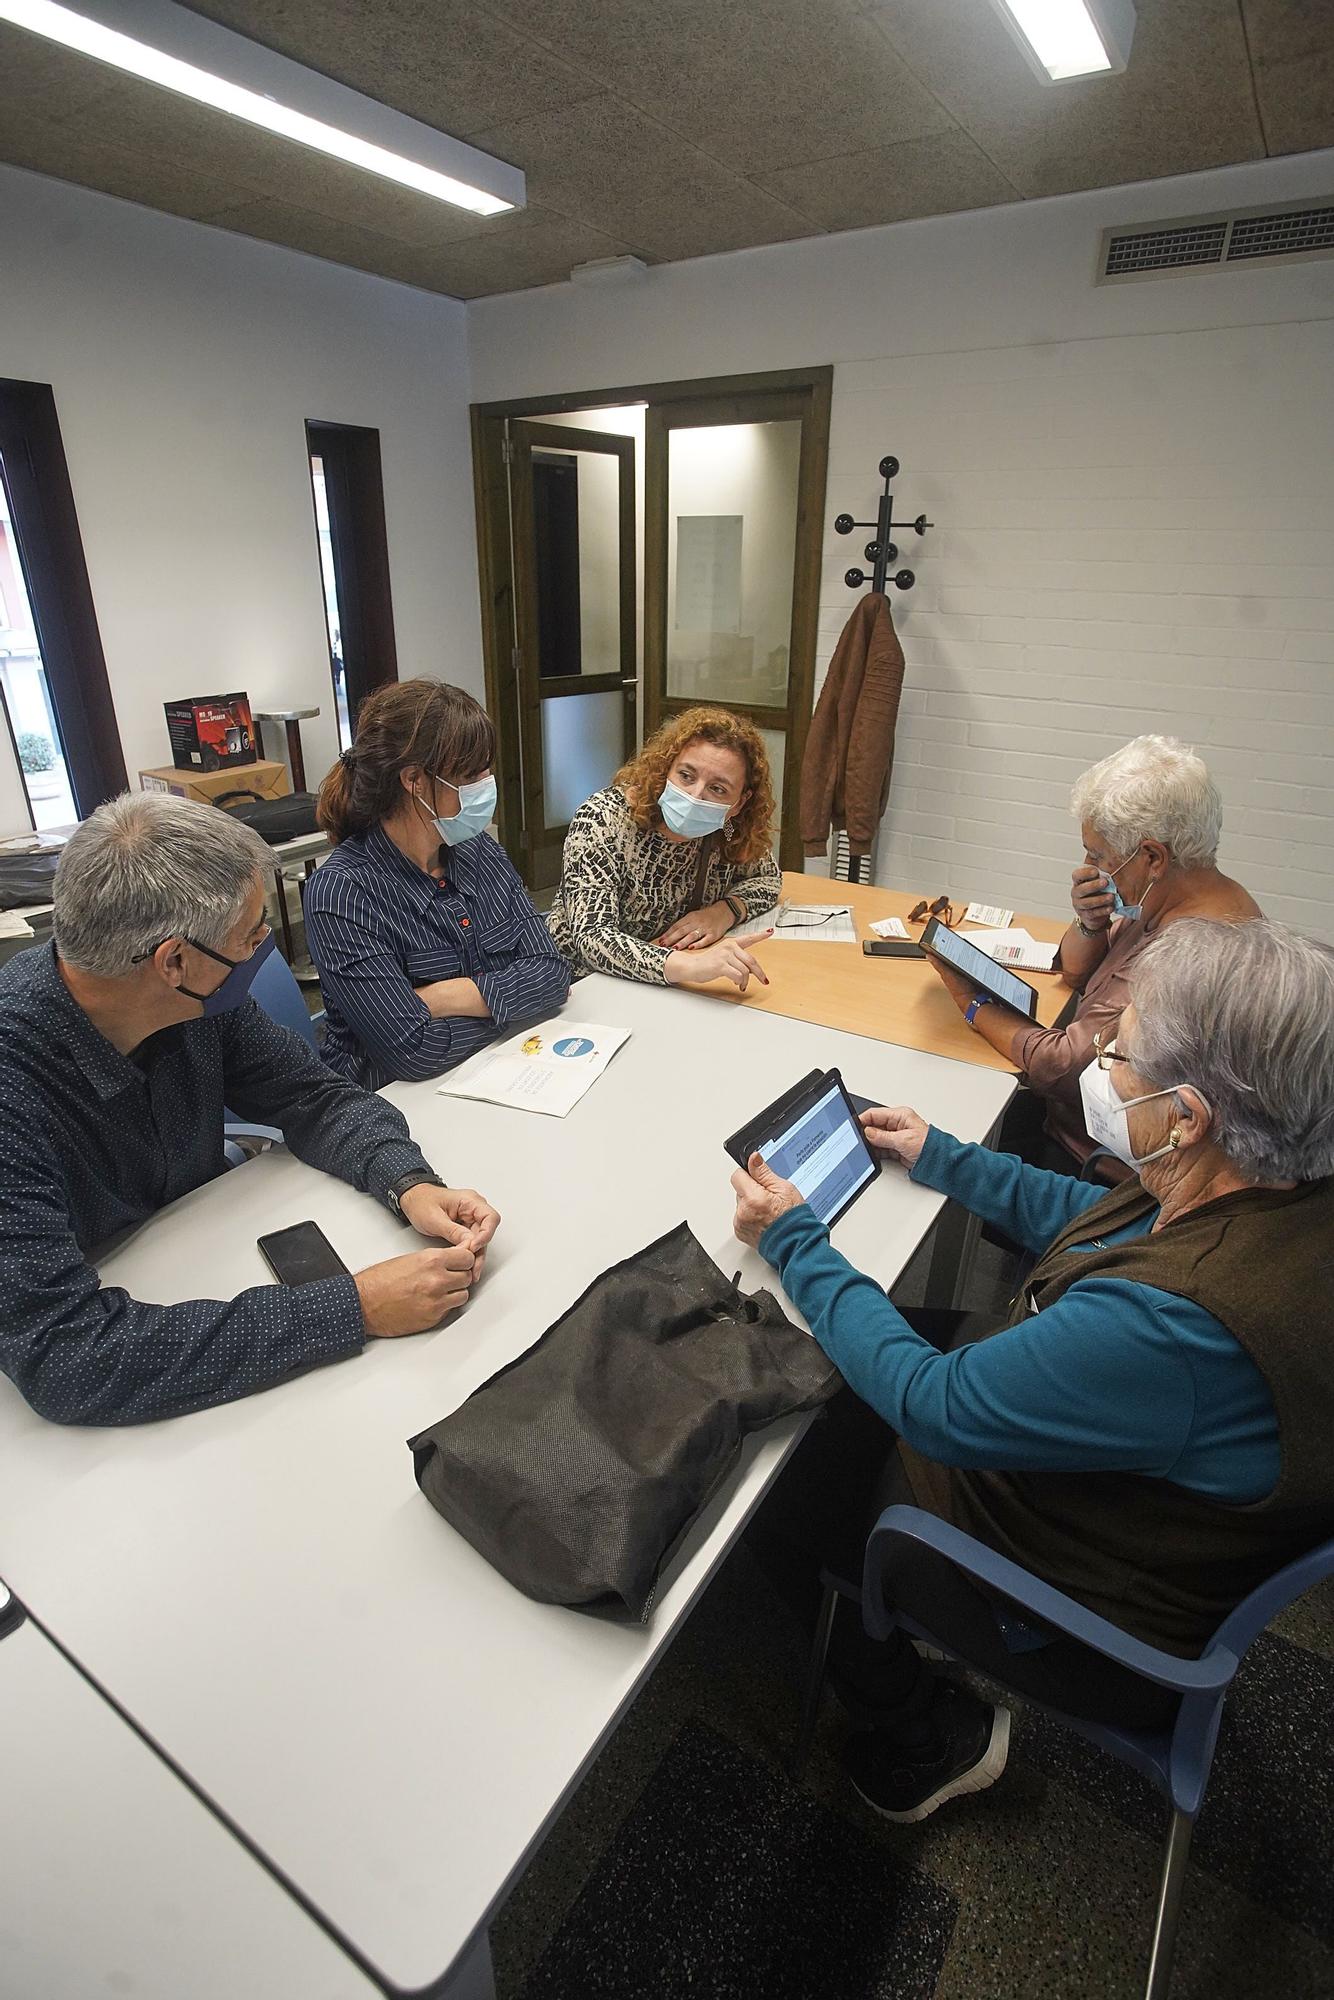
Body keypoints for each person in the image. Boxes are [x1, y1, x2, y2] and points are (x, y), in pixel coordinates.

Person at [731, 918, 1334, 1825]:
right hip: (1137, 1490)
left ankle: (921, 1730)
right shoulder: (1269, 1184)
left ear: (1190, 1115)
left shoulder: (1174, 1326)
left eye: (1121, 1058)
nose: (1101, 1070)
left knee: (766, 1470)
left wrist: (797, 1243)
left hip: (1082, 1602)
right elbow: (1112, 1220)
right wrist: (944, 1156)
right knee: (843, 1360)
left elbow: (934, 1406)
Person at [0, 792, 501, 1426]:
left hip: (188, 1261)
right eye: (251, 935)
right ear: (174, 961)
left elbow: (311, 1095)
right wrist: (355, 1307)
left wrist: (407, 1182)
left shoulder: (199, 1001)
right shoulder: (13, 1083)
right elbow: (69, 1357)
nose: (263, 949)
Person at [924, 735, 1260, 1173]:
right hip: (1078, 1130)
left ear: (1153, 857)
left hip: (1095, 1164)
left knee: (947, 1125)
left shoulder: (1192, 956)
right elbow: (1078, 970)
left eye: (1098, 853)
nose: (1087, 865)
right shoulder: (1182, 894)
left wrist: (971, 1002)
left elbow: (1060, 1067)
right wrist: (1090, 922)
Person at [306, 680, 570, 1087]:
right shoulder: (344, 892)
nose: (488, 782)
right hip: (393, 1101)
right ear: (414, 780)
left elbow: (552, 974)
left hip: (499, 1072)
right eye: (471, 773)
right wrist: (514, 1007)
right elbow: (414, 1051)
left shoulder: (480, 851)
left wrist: (450, 996)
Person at [545, 706, 781, 992]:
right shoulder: (603, 819)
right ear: (665, 768)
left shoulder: (730, 832)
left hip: (669, 984)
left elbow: (768, 879)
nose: (695, 794)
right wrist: (691, 966)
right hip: (582, 984)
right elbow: (593, 938)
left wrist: (725, 911)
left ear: (739, 803)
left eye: (717, 789)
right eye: (686, 775)